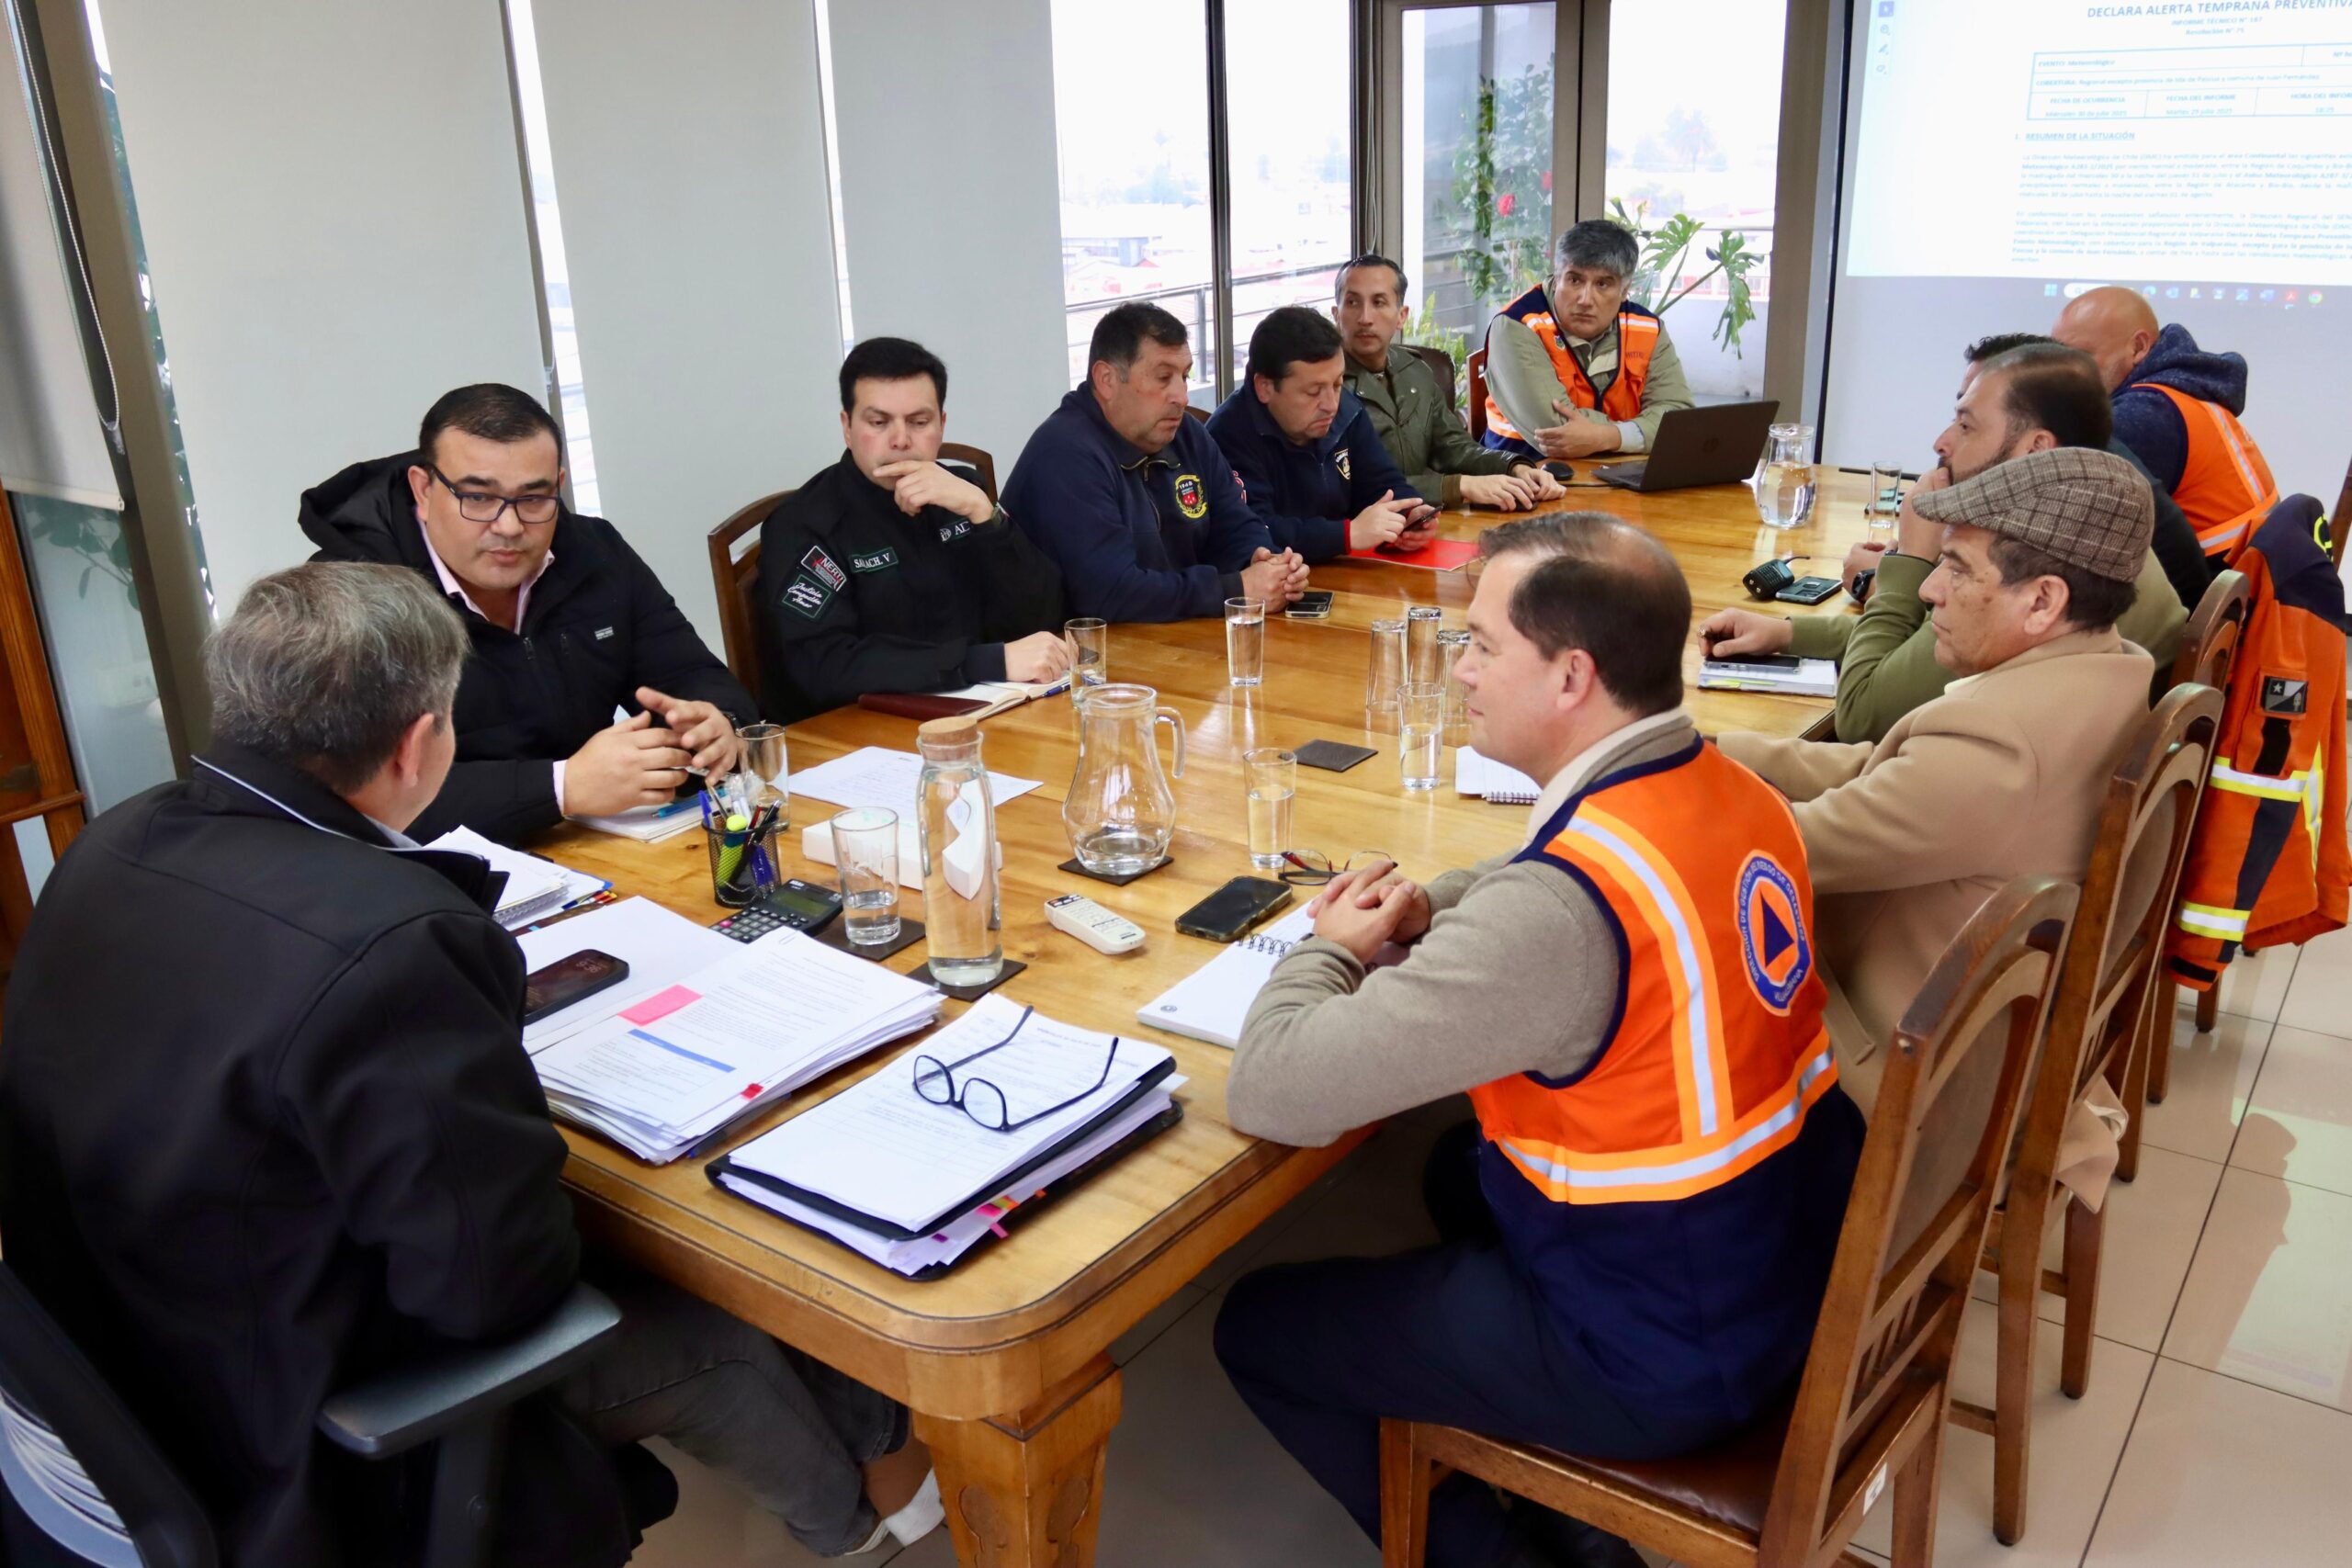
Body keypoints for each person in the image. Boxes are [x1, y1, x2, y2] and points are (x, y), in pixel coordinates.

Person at [0, 563, 940, 1567]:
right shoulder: (391, 941)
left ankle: (879, 1479)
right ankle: (861, 1536)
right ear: (420, 743)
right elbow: (494, 1291)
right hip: (295, 1430)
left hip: (118, 1350)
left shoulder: (110, 842)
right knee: (718, 1315)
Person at [1213, 515, 1865, 1568]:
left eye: (1480, 645)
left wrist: (1327, 951)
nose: (1459, 669)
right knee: (1452, 1170)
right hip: (1787, 1254)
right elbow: (1560, 884)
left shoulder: (1554, 922)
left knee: (1258, 1327)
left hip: (1663, 1348)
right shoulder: (1738, 793)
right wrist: (1446, 904)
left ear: (1570, 677)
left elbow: (1273, 1089)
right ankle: (1564, 1500)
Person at [1717, 446, 2159, 1118]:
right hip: (1979, 1041)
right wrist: (1716, 752)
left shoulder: (1996, 744)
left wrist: (1654, 784)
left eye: (1955, 567)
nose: (1928, 588)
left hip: (1890, 1071)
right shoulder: (2107, 662)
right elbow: (1886, 772)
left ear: (2043, 600)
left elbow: (1778, 854)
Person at [302, 383, 752, 844]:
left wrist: (716, 725)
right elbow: (364, 800)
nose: (510, 526)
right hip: (441, 878)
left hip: (593, 847)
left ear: (558, 487)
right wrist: (561, 786)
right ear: (423, 489)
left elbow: (694, 675)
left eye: (533, 498)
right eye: (478, 498)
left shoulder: (595, 553)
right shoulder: (351, 600)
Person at [1699, 340, 2188, 743]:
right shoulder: (2088, 520)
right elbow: (1928, 643)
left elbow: (1864, 718)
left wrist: (1911, 558)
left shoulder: (2037, 558)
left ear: (2034, 448)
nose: (1941, 441)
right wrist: (1787, 634)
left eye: (1966, 424)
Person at [755, 337, 1068, 721]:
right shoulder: (805, 524)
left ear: (941, 425)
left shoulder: (963, 492)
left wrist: (985, 516)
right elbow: (825, 666)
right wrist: (983, 662)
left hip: (983, 714)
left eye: (919, 422)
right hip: (857, 736)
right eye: (878, 422)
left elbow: (1045, 615)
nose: (901, 440)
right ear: (847, 428)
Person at [1005, 302, 1309, 622]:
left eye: (1185, 376)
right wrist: (1235, 589)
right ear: (1107, 380)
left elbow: (1236, 522)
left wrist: (1264, 562)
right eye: (1164, 377)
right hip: (1083, 659)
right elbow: (1112, 594)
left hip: (1172, 639)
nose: (1182, 396)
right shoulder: (1065, 455)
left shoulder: (1186, 433)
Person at [2052, 285, 2278, 567]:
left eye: (2080, 357)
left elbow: (2067, 518)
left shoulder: (2146, 415)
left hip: (2212, 598)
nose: (2065, 373)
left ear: (2139, 347)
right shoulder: (2183, 391)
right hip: (2237, 582)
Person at [1331, 254, 1564, 511]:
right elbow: (1351, 485)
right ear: (1336, 314)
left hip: (1423, 521)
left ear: (1401, 315)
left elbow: (1453, 447)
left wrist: (1513, 467)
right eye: (1352, 302)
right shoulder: (1325, 386)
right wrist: (1459, 487)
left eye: (1379, 302)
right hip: (1358, 533)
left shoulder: (1415, 370)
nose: (1365, 317)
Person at [1206, 305, 1432, 563]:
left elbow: (1382, 483)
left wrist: (1408, 514)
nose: (1331, 404)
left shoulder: (1346, 410)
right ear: (1265, 387)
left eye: (1337, 384)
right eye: (1314, 392)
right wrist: (1346, 535)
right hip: (1277, 586)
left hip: (1345, 570)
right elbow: (1255, 530)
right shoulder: (1227, 436)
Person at [1479, 220, 1695, 462]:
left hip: (1621, 481)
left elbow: (1677, 421)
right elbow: (1555, 430)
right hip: (1522, 482)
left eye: (1603, 284)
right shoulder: (1517, 325)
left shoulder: (1647, 328)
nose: (1585, 299)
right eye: (1575, 280)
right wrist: (1639, 432)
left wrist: (1608, 437)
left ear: (1625, 291)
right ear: (1557, 276)